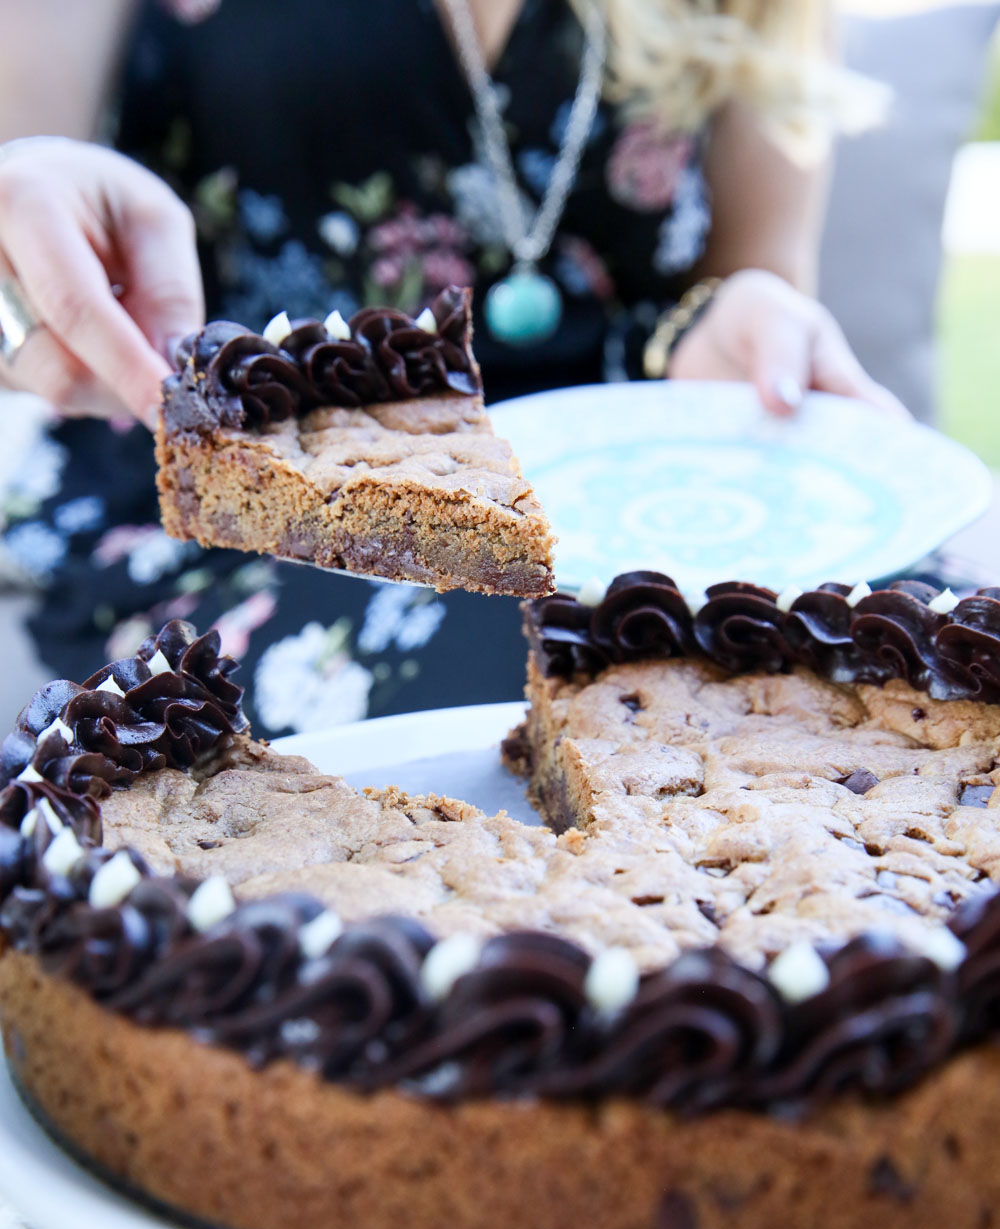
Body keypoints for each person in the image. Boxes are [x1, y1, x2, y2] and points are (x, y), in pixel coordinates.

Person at [0, 0, 901, 735]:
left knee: (905, 649)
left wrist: (723, 328)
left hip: (622, 504)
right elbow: (25, 246)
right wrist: (20, 245)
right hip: (241, 516)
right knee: (554, 690)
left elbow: (743, 278)